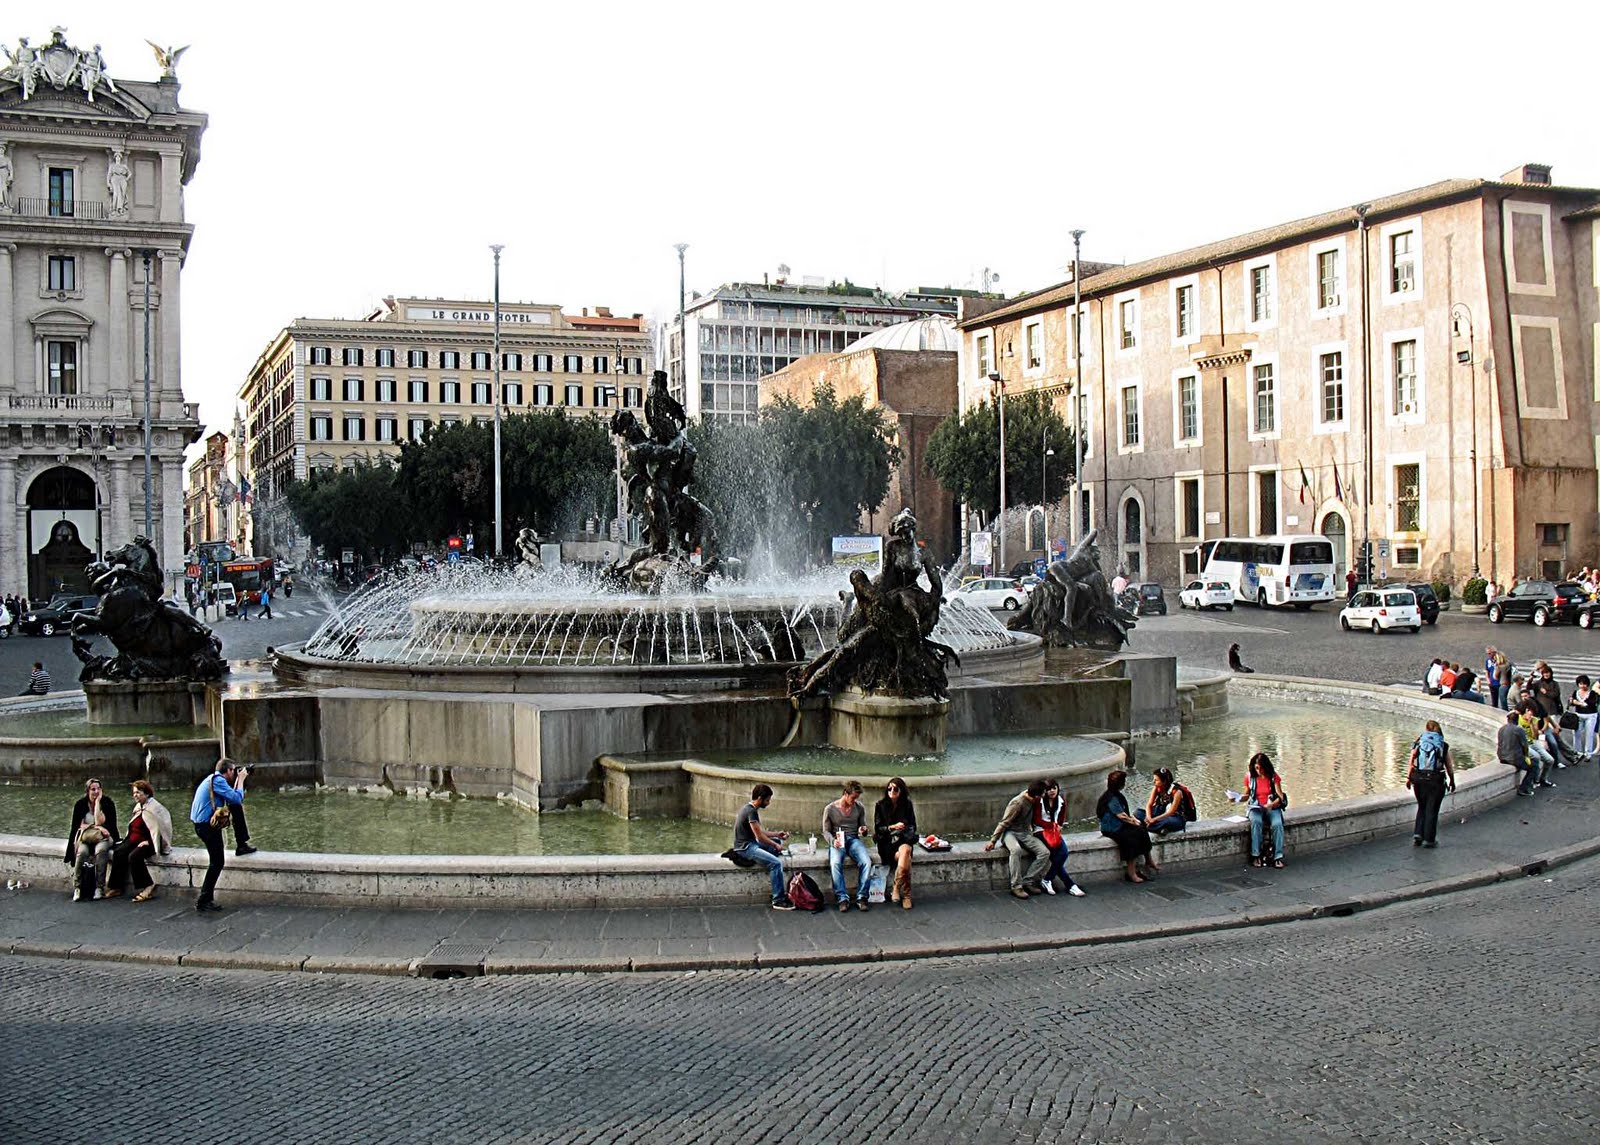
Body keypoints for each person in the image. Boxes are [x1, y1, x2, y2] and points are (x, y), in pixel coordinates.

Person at [189, 759, 249, 913]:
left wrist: (238, 782)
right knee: (217, 862)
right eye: (233, 771)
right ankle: (204, 900)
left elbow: (234, 798)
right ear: (228, 771)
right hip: (206, 826)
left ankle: (242, 844)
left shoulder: (213, 779)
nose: (234, 773)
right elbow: (237, 798)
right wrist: (241, 779)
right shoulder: (218, 780)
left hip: (204, 825)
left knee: (216, 861)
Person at [984, 779, 1051, 898]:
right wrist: (993, 841)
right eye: (1042, 794)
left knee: (1044, 852)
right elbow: (1004, 823)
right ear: (1036, 796)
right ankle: (1016, 886)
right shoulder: (1017, 803)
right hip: (1010, 833)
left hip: (1025, 833)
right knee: (1016, 850)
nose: (1044, 796)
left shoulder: (1035, 798)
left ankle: (1028, 881)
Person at [107, 780, 173, 902]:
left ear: (147, 793)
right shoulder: (138, 806)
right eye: (134, 793)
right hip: (135, 839)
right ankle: (116, 887)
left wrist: (149, 841)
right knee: (119, 852)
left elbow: (162, 829)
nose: (135, 795)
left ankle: (148, 886)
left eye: (138, 792)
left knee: (134, 856)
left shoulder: (156, 808)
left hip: (150, 842)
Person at [732, 783, 794, 910]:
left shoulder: (749, 808)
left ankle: (768, 855)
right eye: (767, 800)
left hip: (750, 842)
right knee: (776, 864)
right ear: (760, 798)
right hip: (745, 848)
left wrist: (777, 835)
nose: (769, 803)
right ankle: (778, 900)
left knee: (777, 841)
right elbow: (759, 837)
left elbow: (759, 832)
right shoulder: (751, 812)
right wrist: (775, 845)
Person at [1095, 770, 1158, 883]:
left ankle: (1148, 859)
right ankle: (1131, 872)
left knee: (1142, 828)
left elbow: (1125, 814)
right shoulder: (1111, 798)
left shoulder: (1116, 795)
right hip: (1111, 828)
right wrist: (1133, 822)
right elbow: (1121, 815)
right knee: (1130, 838)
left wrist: (1136, 821)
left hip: (1120, 825)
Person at [64, 778, 119, 901]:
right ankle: (77, 887)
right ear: (87, 791)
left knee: (100, 851)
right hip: (86, 837)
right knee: (82, 852)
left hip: (104, 837)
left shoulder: (107, 803)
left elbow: (109, 824)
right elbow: (77, 826)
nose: (96, 792)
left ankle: (99, 887)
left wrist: (98, 803)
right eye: (93, 789)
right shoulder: (80, 805)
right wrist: (97, 827)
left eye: (98, 789)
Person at [822, 780, 872, 912]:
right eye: (853, 797)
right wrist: (833, 842)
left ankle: (862, 897)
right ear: (845, 793)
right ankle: (842, 898)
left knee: (866, 862)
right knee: (835, 863)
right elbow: (825, 831)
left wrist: (864, 830)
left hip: (853, 839)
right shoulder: (830, 809)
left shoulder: (859, 808)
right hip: (838, 839)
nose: (854, 801)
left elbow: (863, 827)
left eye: (857, 798)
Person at [1406, 719, 1457, 848]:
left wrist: (1408, 778)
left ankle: (1418, 834)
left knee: (1422, 806)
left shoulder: (1419, 742)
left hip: (1418, 778)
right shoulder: (1442, 745)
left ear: (1426, 729)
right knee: (1432, 808)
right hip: (1436, 779)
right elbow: (1449, 767)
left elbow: (1411, 761)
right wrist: (1452, 780)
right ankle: (1429, 839)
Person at [1033, 779, 1085, 897]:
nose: (1052, 791)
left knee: (1063, 853)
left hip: (1053, 832)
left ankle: (1048, 879)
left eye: (1054, 788)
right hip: (1040, 831)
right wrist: (1051, 826)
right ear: (1044, 791)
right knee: (1059, 854)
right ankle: (1070, 885)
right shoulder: (1039, 801)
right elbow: (1037, 820)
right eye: (1049, 789)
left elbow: (1061, 819)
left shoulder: (1061, 801)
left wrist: (1057, 827)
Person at [872, 777, 918, 909]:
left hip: (903, 840)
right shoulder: (880, 805)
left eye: (895, 789)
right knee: (906, 860)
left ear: (901, 791)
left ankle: (897, 888)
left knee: (906, 851)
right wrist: (892, 827)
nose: (891, 791)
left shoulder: (907, 805)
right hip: (887, 844)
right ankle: (906, 896)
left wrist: (904, 828)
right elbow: (878, 828)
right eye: (889, 788)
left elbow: (913, 826)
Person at [1243, 752, 1288, 869]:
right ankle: (1256, 855)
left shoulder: (1273, 777)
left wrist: (1271, 805)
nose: (1259, 771)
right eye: (1256, 768)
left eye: (1261, 768)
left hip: (1271, 806)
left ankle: (1277, 856)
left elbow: (1280, 797)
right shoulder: (1250, 777)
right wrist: (1236, 798)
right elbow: (1247, 795)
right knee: (1256, 823)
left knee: (1278, 824)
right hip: (1256, 807)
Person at [1516, 702, 1557, 789]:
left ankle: (1543, 779)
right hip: (1524, 743)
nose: (1531, 714)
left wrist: (1531, 724)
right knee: (1536, 757)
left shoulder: (1534, 720)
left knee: (1550, 760)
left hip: (1532, 741)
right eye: (1530, 712)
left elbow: (1535, 736)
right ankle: (1535, 780)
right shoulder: (1518, 718)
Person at [1140, 767, 1190, 835]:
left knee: (1166, 821)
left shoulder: (1177, 792)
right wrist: (1149, 818)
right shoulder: (1156, 788)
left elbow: (1171, 812)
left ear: (1164, 781)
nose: (1153, 782)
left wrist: (1154, 820)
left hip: (1175, 818)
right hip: (1161, 814)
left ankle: (1143, 827)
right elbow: (1149, 805)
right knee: (1138, 812)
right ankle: (1160, 829)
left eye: (1156, 780)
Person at [1500, 708, 1538, 797]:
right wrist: (1526, 756)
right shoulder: (1518, 730)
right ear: (1517, 720)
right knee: (1534, 766)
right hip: (1514, 758)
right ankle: (1524, 788)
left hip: (1502, 757)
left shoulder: (1502, 729)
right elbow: (1525, 746)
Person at [1567, 674, 1598, 763]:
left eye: (1584, 684)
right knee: (1576, 733)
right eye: (1580, 684)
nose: (1582, 686)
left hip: (1590, 715)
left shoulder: (1592, 693)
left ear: (1587, 684)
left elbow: (1591, 703)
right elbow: (1570, 702)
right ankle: (1578, 752)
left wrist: (1577, 702)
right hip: (1579, 715)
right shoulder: (1575, 692)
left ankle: (1588, 754)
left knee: (1589, 734)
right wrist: (1577, 703)